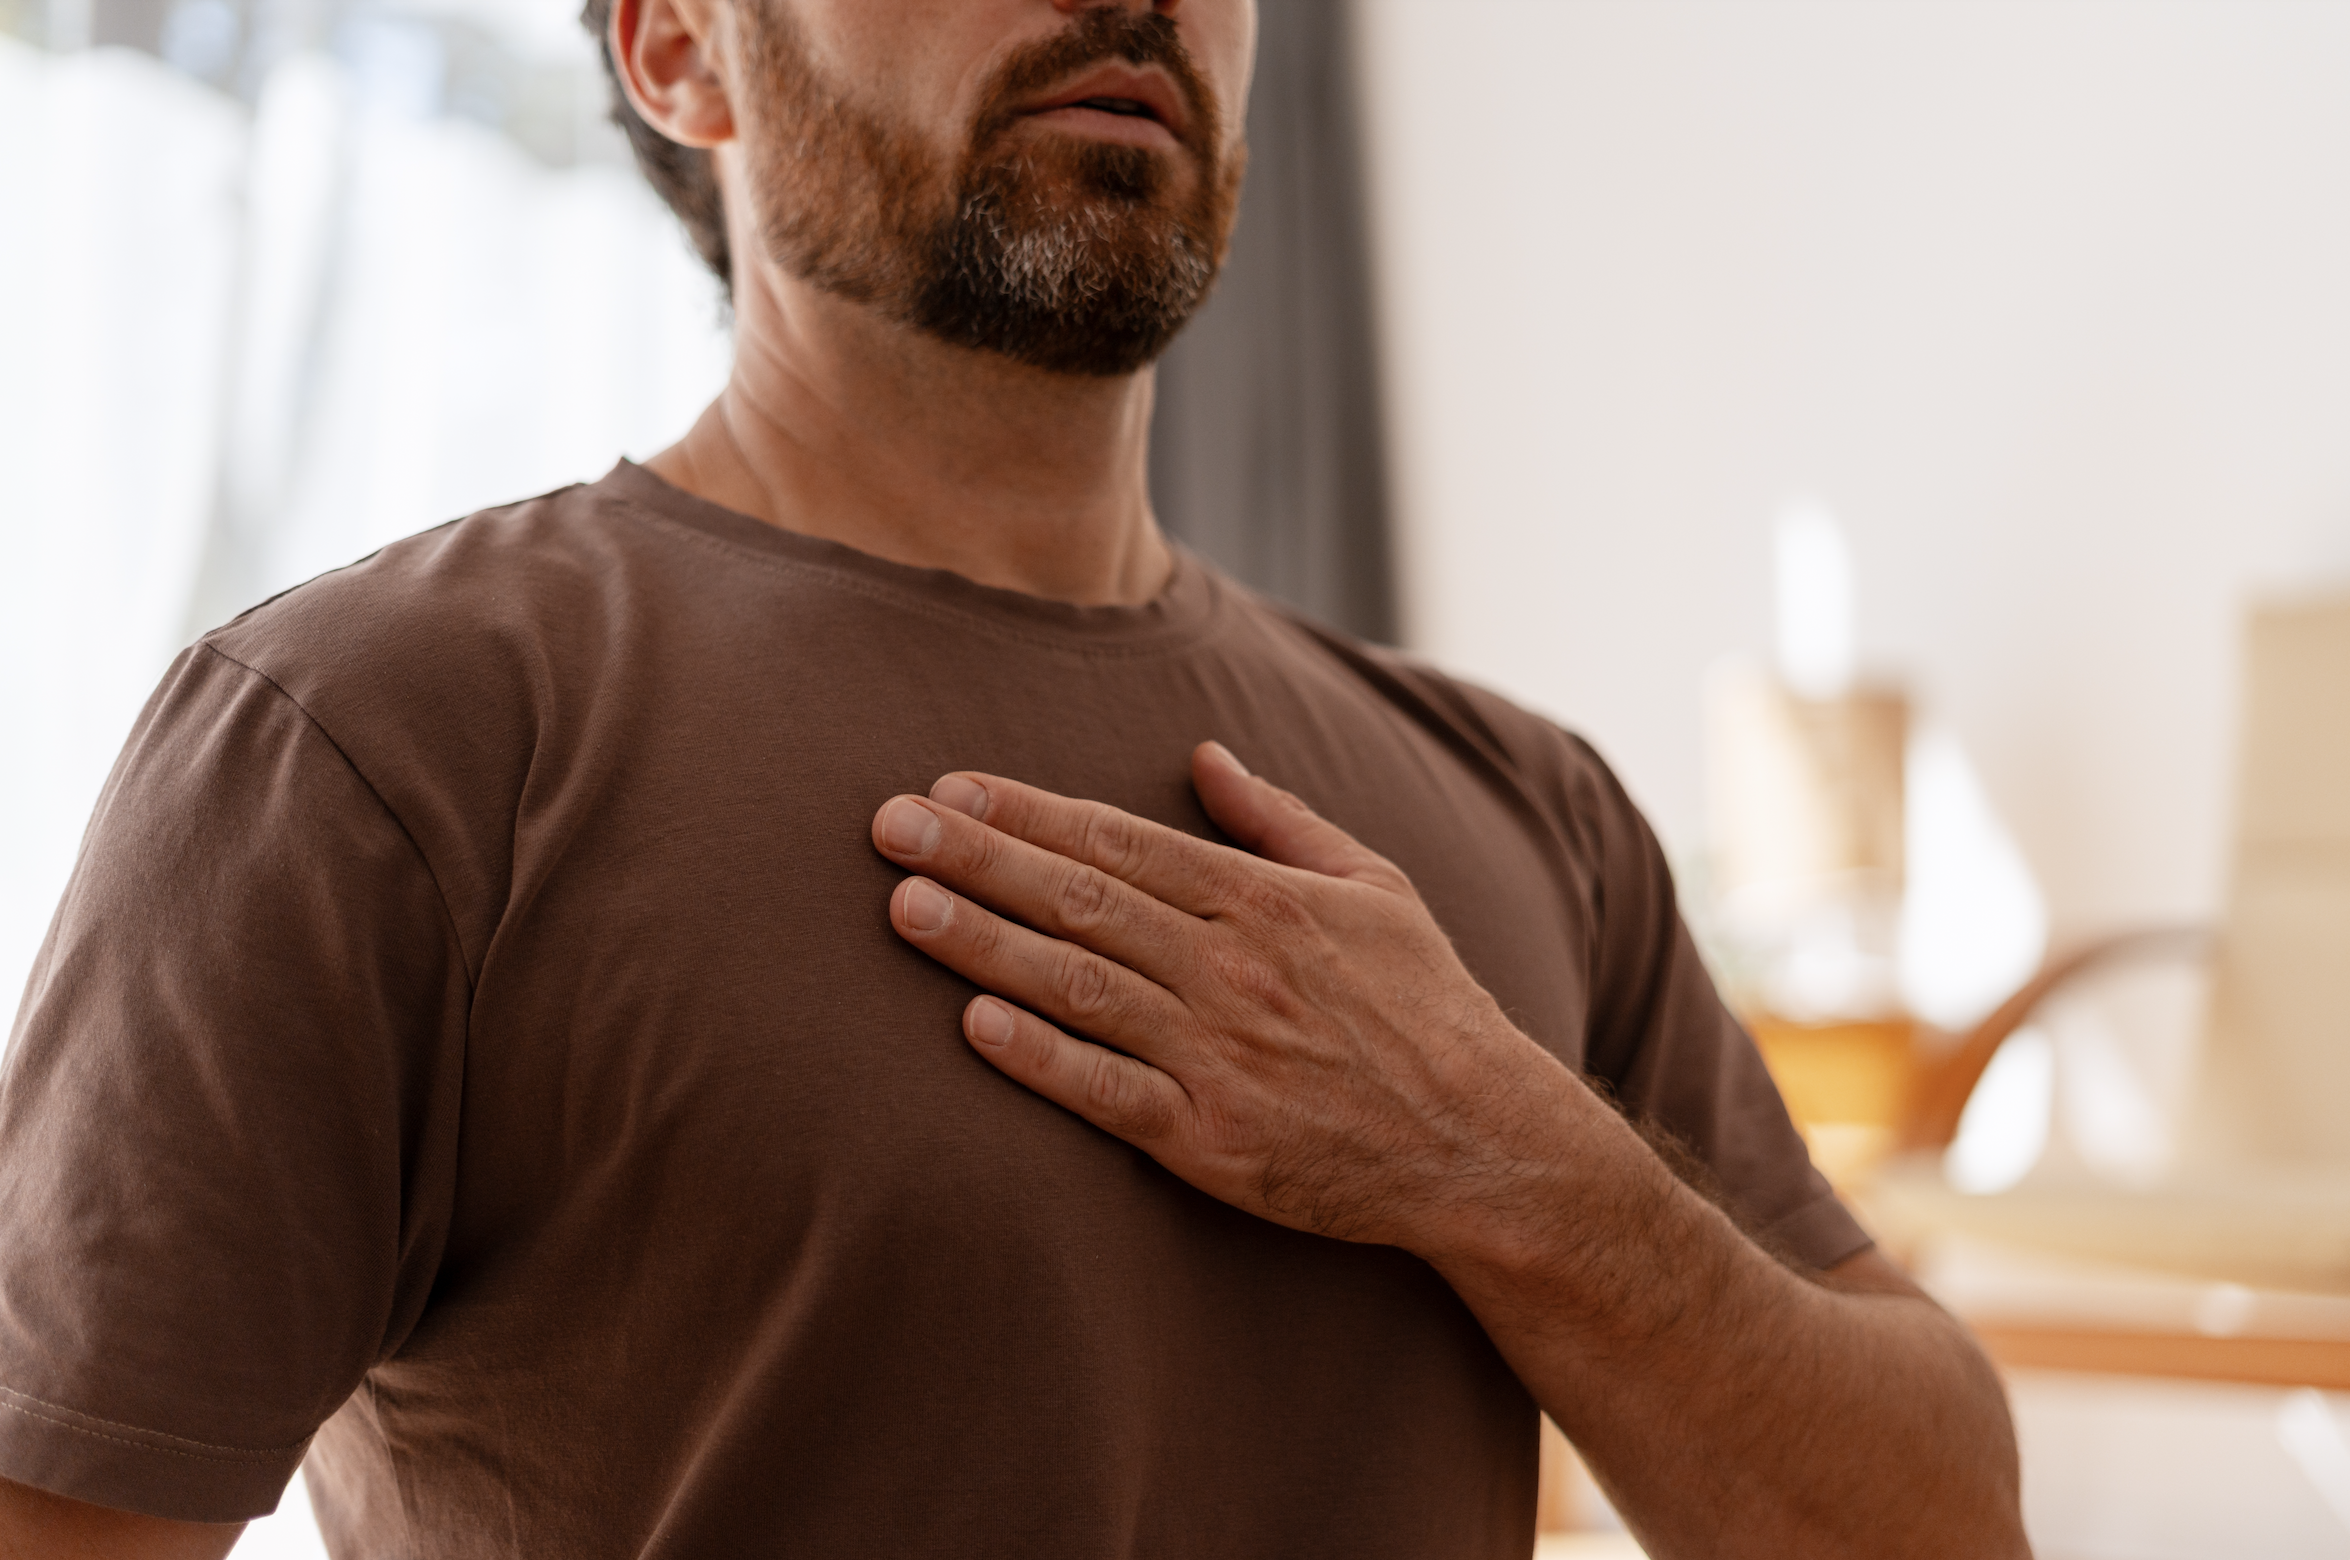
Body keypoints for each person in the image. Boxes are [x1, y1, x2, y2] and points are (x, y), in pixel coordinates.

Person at [0, 1, 2029, 1555]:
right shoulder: (367, 746)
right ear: (679, 48)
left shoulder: (1521, 805)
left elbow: (1940, 1525)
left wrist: (1505, 1160)